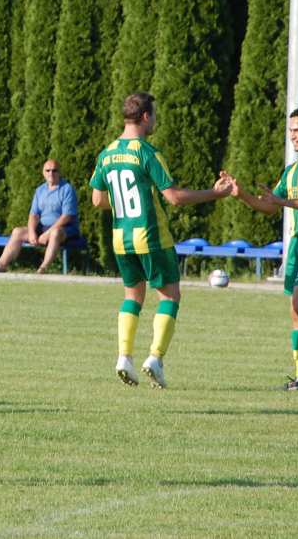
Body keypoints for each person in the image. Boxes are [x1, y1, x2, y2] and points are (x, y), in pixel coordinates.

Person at [90, 92, 231, 388]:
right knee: (169, 297)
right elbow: (175, 198)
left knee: (133, 298)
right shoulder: (147, 153)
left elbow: (97, 199)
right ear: (145, 117)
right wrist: (214, 193)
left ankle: (124, 357)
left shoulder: (107, 154)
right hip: (151, 238)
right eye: (153, 114)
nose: (155, 120)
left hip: (121, 239)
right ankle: (155, 357)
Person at [222, 106, 298, 391]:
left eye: (297, 130)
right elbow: (268, 205)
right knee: (295, 310)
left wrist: (283, 203)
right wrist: (242, 196)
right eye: (290, 130)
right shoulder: (291, 171)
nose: (292, 136)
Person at [0, 159, 79, 274]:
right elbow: (34, 214)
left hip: (65, 229)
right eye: (48, 170)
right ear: (43, 173)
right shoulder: (40, 190)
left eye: (54, 170)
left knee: (55, 233)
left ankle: (43, 269)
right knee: (17, 231)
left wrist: (48, 233)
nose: (51, 173)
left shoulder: (67, 189)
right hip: (43, 228)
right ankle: (1, 265)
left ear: (59, 172)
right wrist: (31, 232)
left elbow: (67, 216)